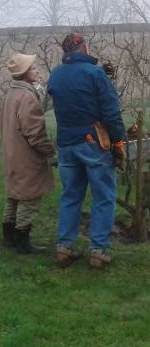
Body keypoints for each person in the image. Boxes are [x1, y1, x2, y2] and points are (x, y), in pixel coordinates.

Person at [47, 33, 126, 269]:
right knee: (103, 196)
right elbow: (111, 112)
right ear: (84, 48)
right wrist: (118, 141)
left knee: (71, 195)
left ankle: (65, 247)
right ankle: (98, 250)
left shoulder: (55, 75)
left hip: (66, 143)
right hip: (93, 142)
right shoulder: (95, 73)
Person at [0, 53, 55, 254]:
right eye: (33, 68)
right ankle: (22, 242)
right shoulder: (27, 97)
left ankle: (8, 238)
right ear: (24, 73)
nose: (37, 70)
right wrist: (50, 153)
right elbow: (35, 133)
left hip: (12, 154)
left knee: (14, 195)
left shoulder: (11, 94)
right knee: (29, 198)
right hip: (27, 157)